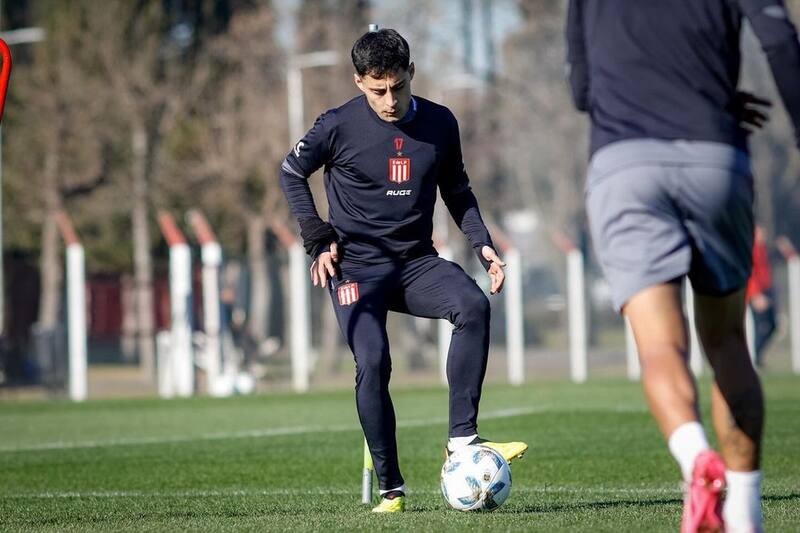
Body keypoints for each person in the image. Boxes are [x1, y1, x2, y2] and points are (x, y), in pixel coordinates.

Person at [566, 1, 800, 532]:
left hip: (625, 165)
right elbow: (780, 40)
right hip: (714, 157)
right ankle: (745, 517)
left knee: (660, 346)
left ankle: (697, 460)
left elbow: (582, 90)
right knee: (728, 343)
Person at [280, 27, 527, 513]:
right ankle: (391, 489)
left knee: (472, 305)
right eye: (377, 90)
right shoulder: (336, 126)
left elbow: (458, 191)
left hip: (415, 263)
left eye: (397, 86)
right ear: (358, 82)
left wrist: (483, 246)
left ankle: (462, 441)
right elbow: (291, 173)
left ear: (411, 73)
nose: (389, 100)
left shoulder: (440, 123)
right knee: (374, 362)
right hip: (355, 268)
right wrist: (318, 237)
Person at [747, 226, 777, 367]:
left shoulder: (763, 248)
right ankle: (754, 358)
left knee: (771, 325)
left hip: (767, 291)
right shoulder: (752, 249)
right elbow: (751, 274)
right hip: (757, 294)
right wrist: (755, 295)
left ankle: (757, 357)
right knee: (759, 326)